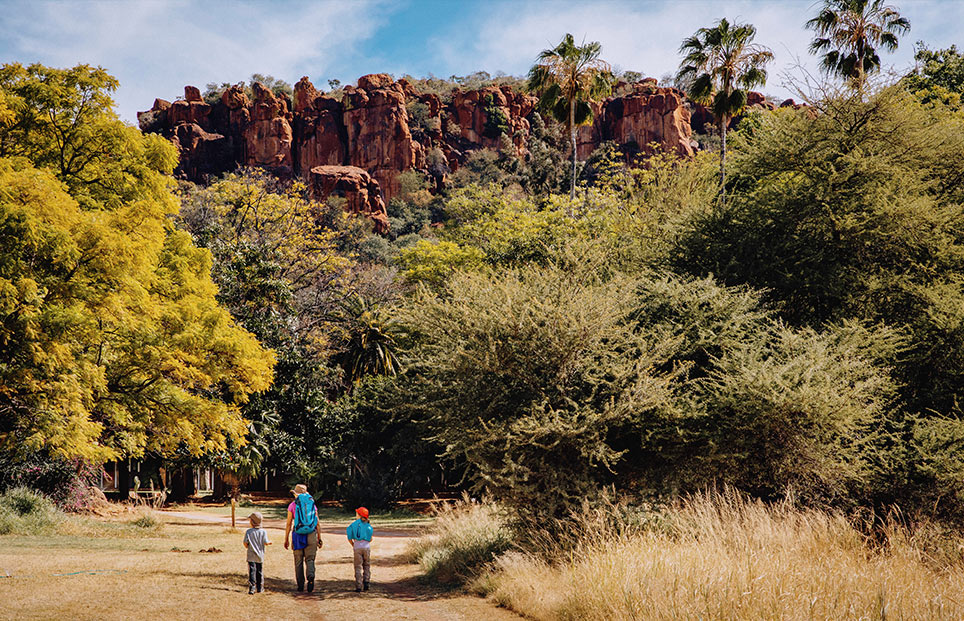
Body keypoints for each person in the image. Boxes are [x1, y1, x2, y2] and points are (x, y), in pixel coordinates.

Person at [284, 483, 322, 592]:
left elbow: (288, 524)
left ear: (296, 494)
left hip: (297, 535)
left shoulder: (292, 505)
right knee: (310, 559)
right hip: (311, 533)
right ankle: (310, 576)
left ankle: (300, 585)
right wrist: (319, 537)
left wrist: (286, 539)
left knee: (298, 561)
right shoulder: (312, 504)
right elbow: (317, 523)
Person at [242, 511, 271, 595]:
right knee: (259, 571)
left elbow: (245, 542)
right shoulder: (263, 532)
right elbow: (266, 542)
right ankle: (260, 588)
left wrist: (247, 546)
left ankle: (252, 588)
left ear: (252, 522)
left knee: (252, 571)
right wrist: (269, 543)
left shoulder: (249, 532)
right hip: (260, 555)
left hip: (251, 555)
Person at [346, 506, 373, 593]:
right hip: (366, 547)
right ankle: (366, 582)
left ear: (359, 515)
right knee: (367, 565)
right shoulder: (368, 525)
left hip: (357, 547)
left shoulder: (353, 525)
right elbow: (371, 539)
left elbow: (349, 537)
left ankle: (358, 586)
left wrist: (353, 544)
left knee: (358, 567)